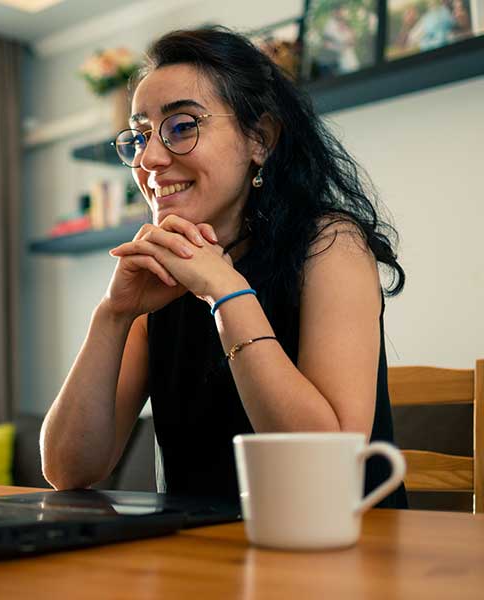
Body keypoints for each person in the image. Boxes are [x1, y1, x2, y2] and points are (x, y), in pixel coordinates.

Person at [40, 26, 407, 508]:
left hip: (339, 558)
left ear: (260, 139)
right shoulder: (158, 275)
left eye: (182, 126)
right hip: (200, 563)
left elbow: (329, 464)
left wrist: (227, 294)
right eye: (141, 135)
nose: (149, 159)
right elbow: (68, 469)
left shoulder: (330, 245)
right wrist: (113, 314)